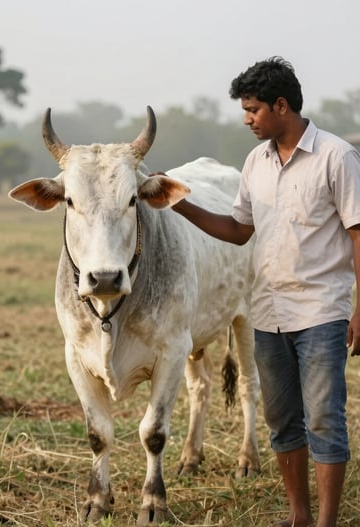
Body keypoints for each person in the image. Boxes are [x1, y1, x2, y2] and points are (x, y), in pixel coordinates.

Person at [167, 57, 360, 527]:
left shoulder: (337, 157)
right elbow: (238, 230)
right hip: (268, 312)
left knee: (324, 421)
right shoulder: (255, 162)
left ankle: (327, 522)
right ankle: (298, 517)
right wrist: (180, 204)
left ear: (281, 105)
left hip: (322, 311)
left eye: (253, 110)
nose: (247, 119)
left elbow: (359, 234)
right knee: (282, 422)